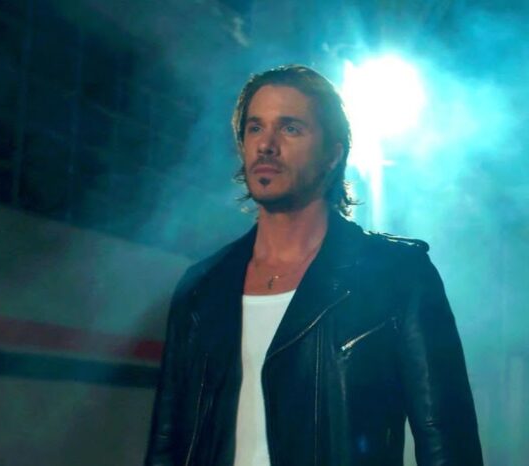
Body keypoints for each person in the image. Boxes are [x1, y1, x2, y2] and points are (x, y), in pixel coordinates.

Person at [145, 64, 484, 466]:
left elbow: (447, 442)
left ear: (332, 155)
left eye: (290, 128)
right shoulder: (202, 287)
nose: (266, 145)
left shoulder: (397, 275)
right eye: (255, 128)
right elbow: (166, 442)